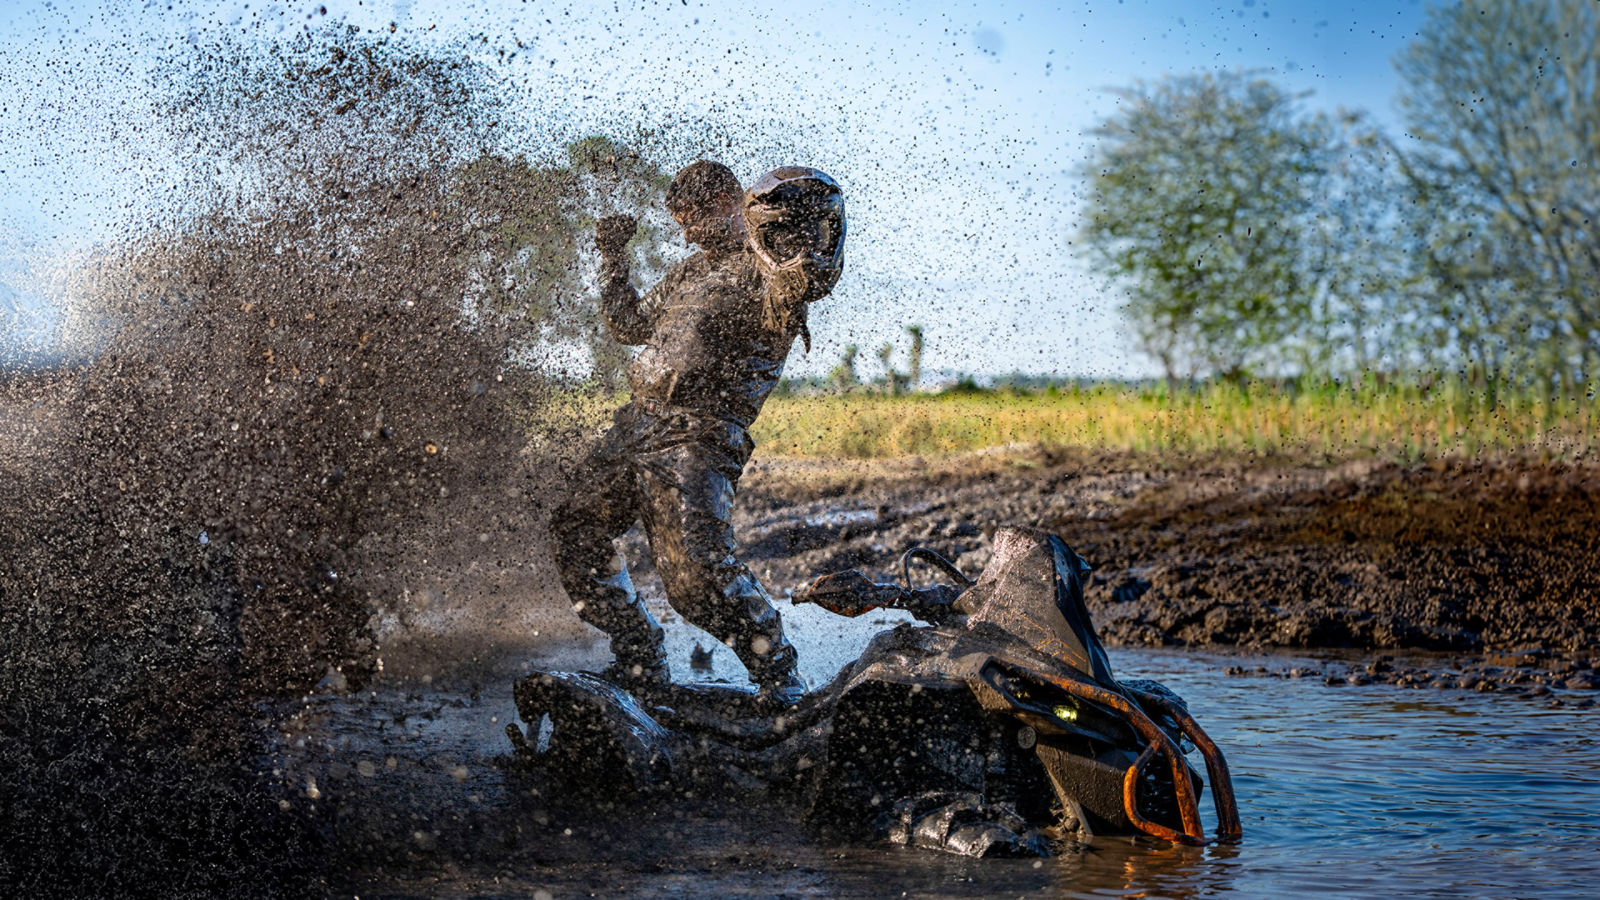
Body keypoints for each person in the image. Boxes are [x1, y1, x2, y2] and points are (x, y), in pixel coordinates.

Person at [550, 161, 845, 710]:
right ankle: (640, 653)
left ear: (730, 204)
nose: (685, 234)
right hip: (638, 424)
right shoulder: (690, 272)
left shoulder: (770, 271)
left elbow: (811, 276)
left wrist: (802, 224)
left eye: (692, 220)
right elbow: (628, 325)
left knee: (697, 576)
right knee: (574, 527)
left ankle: (781, 680)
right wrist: (614, 258)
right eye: (679, 224)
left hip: (699, 437)